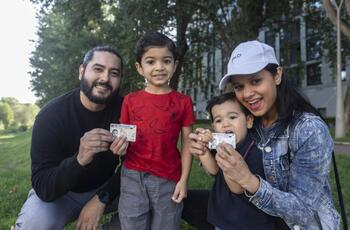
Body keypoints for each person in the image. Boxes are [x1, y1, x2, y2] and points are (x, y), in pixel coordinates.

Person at [190, 40, 340, 229]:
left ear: (277, 75)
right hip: (249, 218)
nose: (247, 94)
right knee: (183, 200)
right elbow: (223, 172)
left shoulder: (308, 129)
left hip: (296, 226)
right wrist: (206, 145)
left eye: (255, 81)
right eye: (239, 86)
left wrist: (249, 180)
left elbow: (303, 212)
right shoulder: (249, 122)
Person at [14, 45, 128, 230]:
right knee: (33, 224)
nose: (105, 79)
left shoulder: (126, 110)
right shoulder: (50, 116)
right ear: (82, 71)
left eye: (114, 73)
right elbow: (43, 186)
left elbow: (135, 165)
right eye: (98, 69)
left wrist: (101, 198)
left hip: (108, 189)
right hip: (61, 194)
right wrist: (79, 159)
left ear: (120, 79)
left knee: (151, 197)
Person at [117, 32, 195, 230]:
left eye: (166, 61)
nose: (159, 67)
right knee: (132, 224)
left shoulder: (183, 102)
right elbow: (122, 138)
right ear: (139, 68)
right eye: (151, 62)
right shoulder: (130, 101)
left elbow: (188, 143)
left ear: (175, 65)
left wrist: (183, 180)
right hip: (132, 176)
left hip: (169, 177)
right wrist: (118, 147)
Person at [191, 92, 282, 230]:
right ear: (214, 127)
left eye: (232, 117)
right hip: (223, 218)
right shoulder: (220, 145)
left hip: (249, 221)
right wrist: (203, 150)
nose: (225, 124)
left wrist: (225, 155)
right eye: (218, 120)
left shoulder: (256, 151)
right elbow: (214, 170)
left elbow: (237, 189)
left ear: (249, 121)